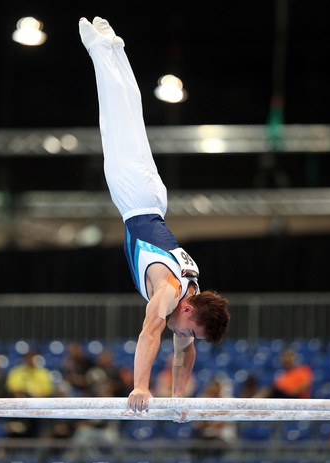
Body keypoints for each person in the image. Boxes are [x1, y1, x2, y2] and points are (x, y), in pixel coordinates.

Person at [78, 16, 231, 415]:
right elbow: (148, 334)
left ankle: (115, 48)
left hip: (153, 199)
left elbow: (185, 353)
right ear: (188, 311)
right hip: (135, 199)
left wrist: (179, 396)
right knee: (114, 122)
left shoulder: (192, 296)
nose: (184, 336)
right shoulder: (168, 292)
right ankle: (99, 49)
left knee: (132, 120)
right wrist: (141, 387)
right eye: (188, 329)